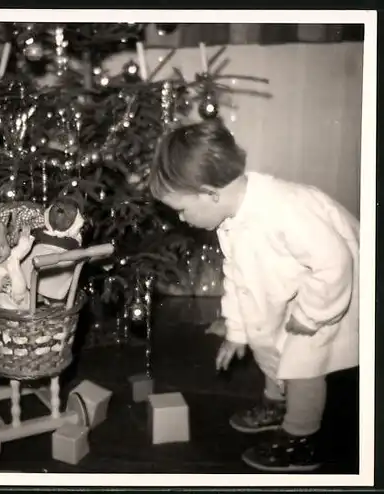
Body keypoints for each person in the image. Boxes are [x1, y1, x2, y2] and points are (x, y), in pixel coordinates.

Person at [148, 118, 359, 473]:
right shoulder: (231, 217)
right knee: (269, 337)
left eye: (182, 209)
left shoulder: (285, 209)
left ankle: (302, 439)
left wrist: (311, 316)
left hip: (331, 291)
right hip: (296, 285)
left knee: (304, 361)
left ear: (209, 192)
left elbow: (335, 263)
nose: (181, 220)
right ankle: (277, 403)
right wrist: (238, 331)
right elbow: (239, 278)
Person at [20, 197, 84, 303]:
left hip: (58, 274)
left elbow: (80, 254)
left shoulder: (73, 242)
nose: (60, 211)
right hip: (31, 274)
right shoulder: (40, 231)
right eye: (58, 207)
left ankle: (54, 302)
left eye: (68, 212)